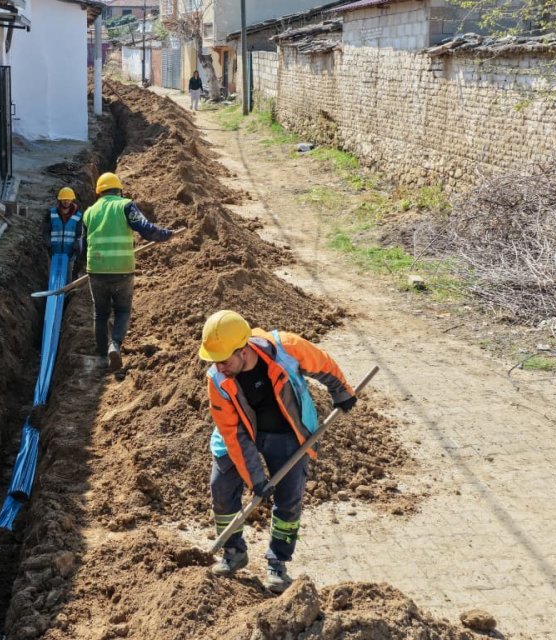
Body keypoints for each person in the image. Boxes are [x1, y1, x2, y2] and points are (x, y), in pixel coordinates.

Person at [197, 310, 356, 594]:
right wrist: (255, 478)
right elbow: (234, 434)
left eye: (224, 360)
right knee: (220, 487)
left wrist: (341, 391)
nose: (218, 367)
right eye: (214, 362)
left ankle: (277, 564)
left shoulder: (285, 348)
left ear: (244, 350)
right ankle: (234, 552)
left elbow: (323, 365)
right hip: (240, 432)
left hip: (286, 430)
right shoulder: (217, 380)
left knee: (288, 497)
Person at [83, 172, 174, 371]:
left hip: (96, 270)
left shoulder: (89, 212)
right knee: (122, 310)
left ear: (99, 193)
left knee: (100, 313)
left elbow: (85, 242)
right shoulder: (125, 205)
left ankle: (101, 356)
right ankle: (114, 344)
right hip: (122, 269)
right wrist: (166, 234)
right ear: (119, 189)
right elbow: (146, 229)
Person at [47, 187, 84, 274]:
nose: (66, 201)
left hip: (69, 254)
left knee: (68, 278)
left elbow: (79, 234)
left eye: (68, 199)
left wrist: (76, 246)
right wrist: (48, 245)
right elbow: (46, 231)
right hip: (54, 253)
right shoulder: (51, 213)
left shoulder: (78, 215)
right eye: (64, 199)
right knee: (54, 276)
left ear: (72, 200)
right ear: (60, 200)